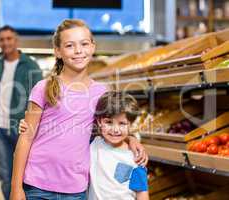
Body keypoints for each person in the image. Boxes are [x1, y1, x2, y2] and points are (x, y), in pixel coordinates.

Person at [10, 19, 148, 200]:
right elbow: (26, 138)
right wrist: (15, 187)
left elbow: (105, 129)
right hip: (37, 185)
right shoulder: (43, 88)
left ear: (92, 47)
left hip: (76, 189)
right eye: (69, 45)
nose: (78, 51)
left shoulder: (102, 92)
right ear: (58, 51)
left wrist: (130, 140)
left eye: (84, 44)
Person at [0, 25, 42, 200]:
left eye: (9, 38)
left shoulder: (30, 65)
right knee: (5, 176)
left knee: (24, 176)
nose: (5, 43)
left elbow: (39, 99)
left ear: (16, 40)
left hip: (22, 129)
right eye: (2, 39)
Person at [89, 91, 149, 200]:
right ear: (99, 122)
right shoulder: (94, 144)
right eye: (109, 122)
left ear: (130, 125)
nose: (115, 130)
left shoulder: (135, 157)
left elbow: (141, 193)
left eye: (122, 123)